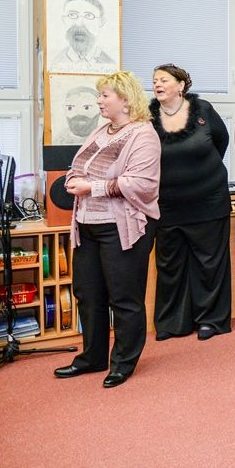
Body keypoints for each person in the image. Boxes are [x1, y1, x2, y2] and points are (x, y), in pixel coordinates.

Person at [53, 71, 159, 388]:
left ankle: (123, 362)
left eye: (104, 95)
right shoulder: (101, 131)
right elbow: (78, 167)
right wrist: (73, 179)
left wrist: (92, 187)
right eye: (99, 95)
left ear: (125, 100)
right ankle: (93, 357)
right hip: (87, 226)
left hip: (122, 227)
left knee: (124, 298)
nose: (98, 101)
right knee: (88, 295)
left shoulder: (143, 135)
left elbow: (142, 184)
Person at [150, 64, 232, 342]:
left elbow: (221, 140)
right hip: (167, 204)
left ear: (181, 85)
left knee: (209, 264)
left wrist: (201, 172)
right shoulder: (147, 117)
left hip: (208, 200)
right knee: (170, 266)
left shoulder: (203, 110)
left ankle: (211, 320)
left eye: (164, 80)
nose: (157, 84)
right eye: (155, 81)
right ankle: (172, 322)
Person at [50, 0, 118, 69]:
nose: (79, 23)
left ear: (101, 22)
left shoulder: (111, 64)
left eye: (88, 16)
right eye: (72, 15)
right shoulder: (53, 63)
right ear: (64, 19)